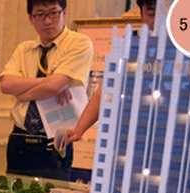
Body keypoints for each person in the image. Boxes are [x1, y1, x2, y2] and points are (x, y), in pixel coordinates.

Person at [0, 0, 93, 180]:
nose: (48, 21)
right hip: (20, 136)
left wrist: (23, 93)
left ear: (64, 12)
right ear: (31, 18)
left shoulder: (79, 43)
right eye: (40, 15)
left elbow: (54, 86)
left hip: (56, 138)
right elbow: (6, 85)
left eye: (53, 13)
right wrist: (49, 81)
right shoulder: (24, 49)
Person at [59, 0, 155, 148]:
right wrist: (79, 130)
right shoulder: (129, 44)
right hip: (130, 134)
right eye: (151, 12)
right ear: (142, 13)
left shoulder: (185, 48)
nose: (158, 19)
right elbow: (105, 90)